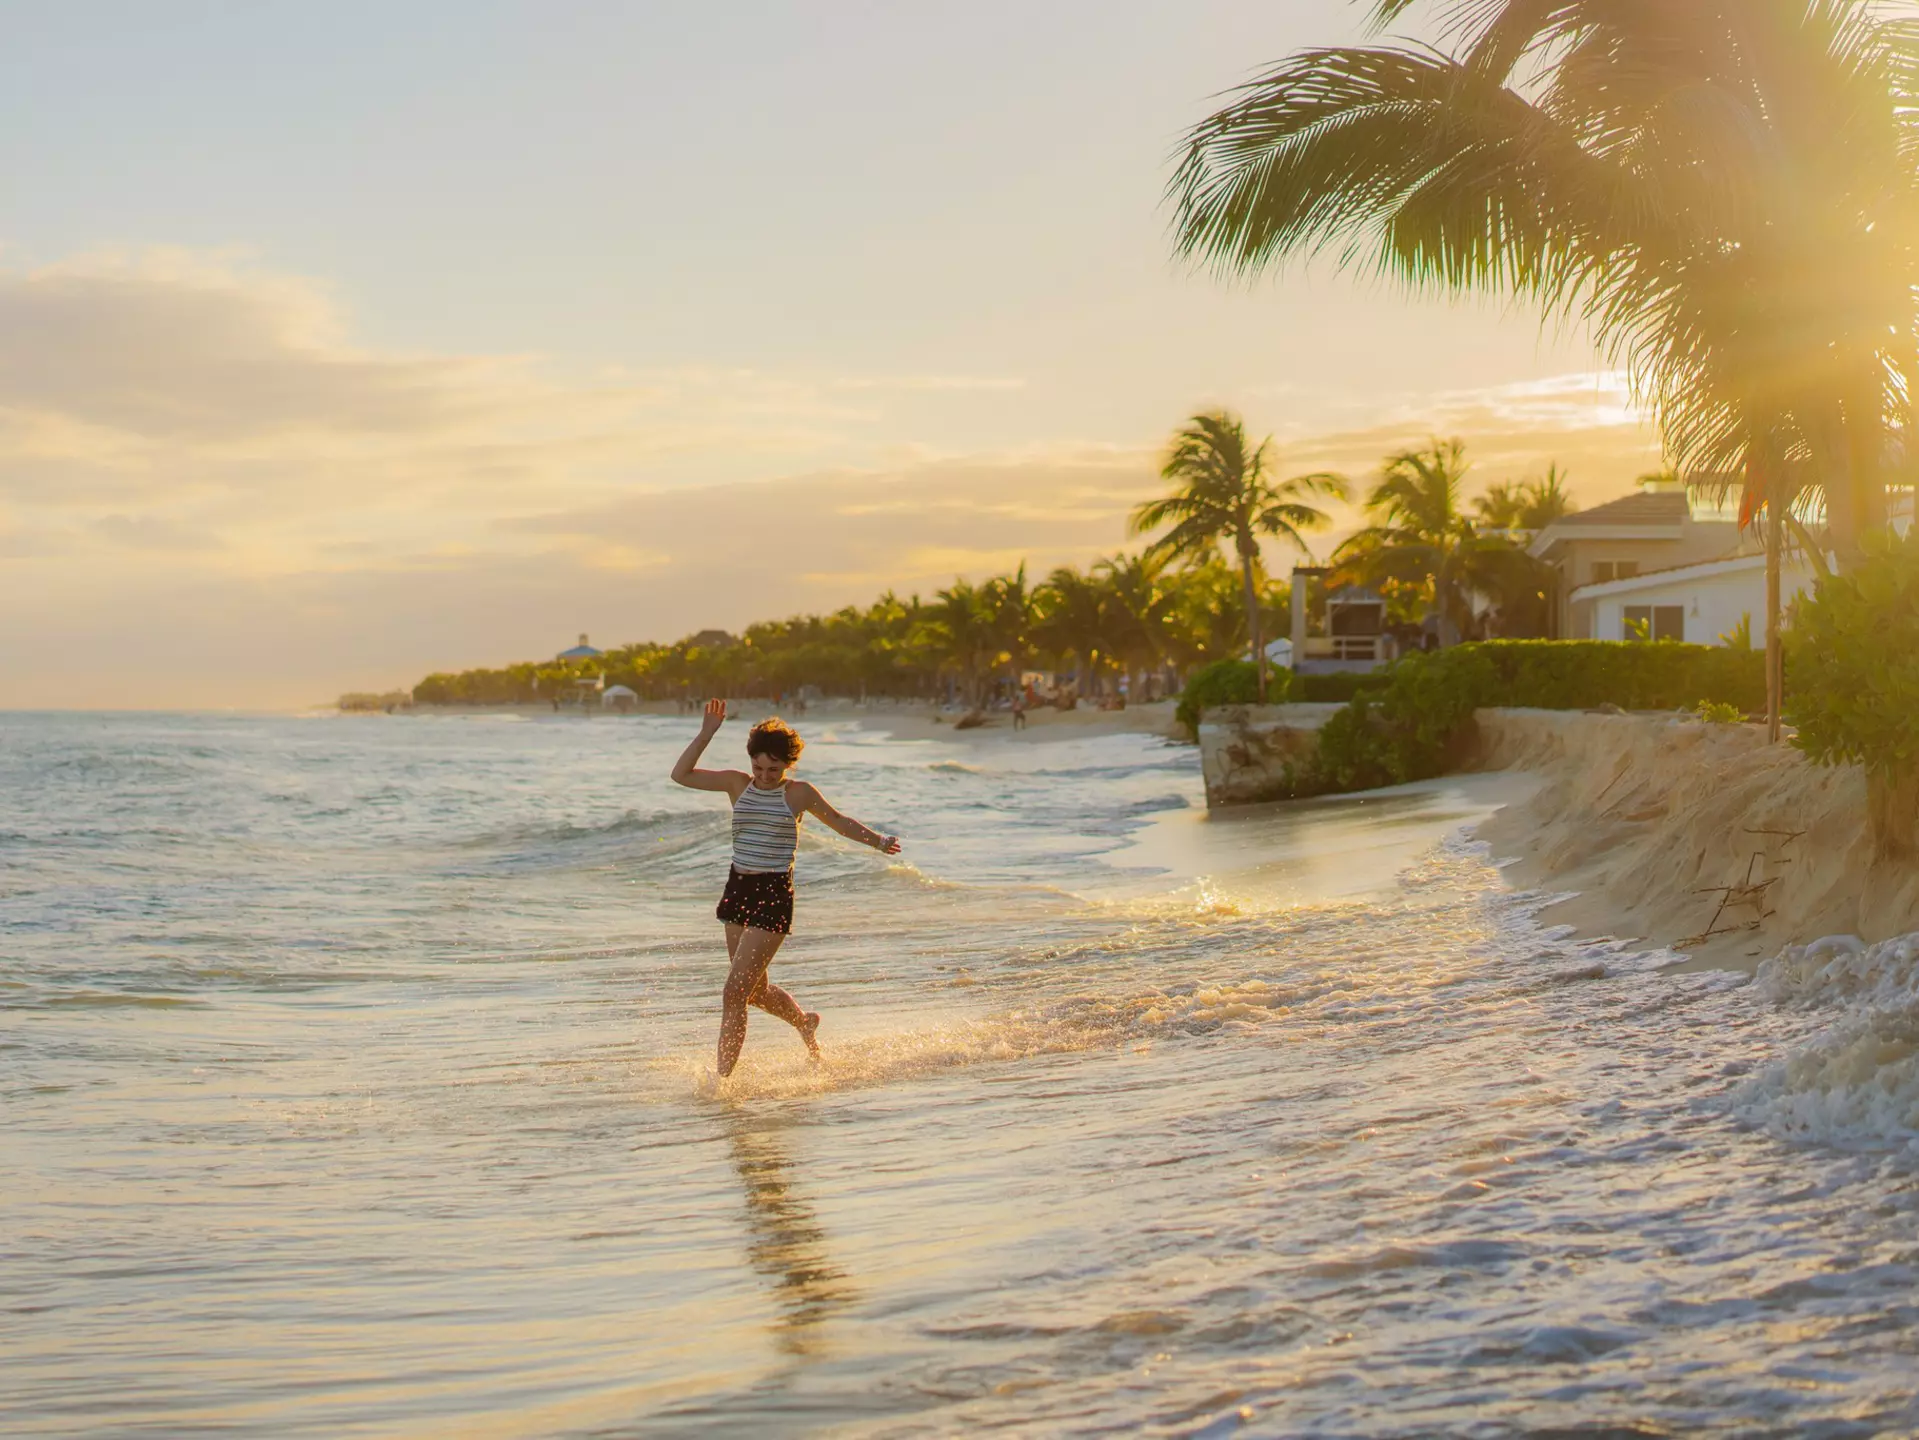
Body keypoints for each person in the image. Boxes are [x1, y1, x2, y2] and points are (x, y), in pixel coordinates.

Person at [670, 698, 901, 1077]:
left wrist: (877, 841)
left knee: (733, 993)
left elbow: (840, 822)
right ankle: (803, 1022)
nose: (763, 775)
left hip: (773, 895)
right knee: (754, 991)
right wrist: (707, 731)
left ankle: (722, 1083)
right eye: (758, 766)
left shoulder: (798, 793)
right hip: (737, 889)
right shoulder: (736, 783)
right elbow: (681, 775)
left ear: (788, 764)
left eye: (773, 768)